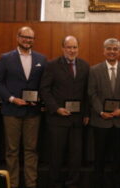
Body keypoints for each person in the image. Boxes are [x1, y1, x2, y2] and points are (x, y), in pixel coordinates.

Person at [0, 26, 47, 188]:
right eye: (24, 37)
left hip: (33, 112)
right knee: (12, 151)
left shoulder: (41, 59)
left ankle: (31, 184)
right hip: (11, 111)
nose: (27, 40)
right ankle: (13, 184)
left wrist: (39, 99)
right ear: (18, 38)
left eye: (30, 38)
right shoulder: (6, 58)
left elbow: (44, 85)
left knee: (31, 150)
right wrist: (11, 98)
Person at [40, 35, 90, 188]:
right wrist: (56, 108)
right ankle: (54, 184)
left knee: (76, 157)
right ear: (63, 48)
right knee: (56, 155)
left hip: (77, 119)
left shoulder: (84, 65)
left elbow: (86, 92)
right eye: (69, 47)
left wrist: (86, 113)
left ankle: (72, 184)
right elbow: (44, 89)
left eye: (75, 47)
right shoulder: (52, 65)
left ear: (78, 48)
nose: (72, 50)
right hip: (57, 119)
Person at [88, 38, 120, 188]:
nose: (112, 52)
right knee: (99, 157)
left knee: (118, 157)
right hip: (101, 121)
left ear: (119, 52)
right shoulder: (94, 70)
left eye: (115, 49)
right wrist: (100, 111)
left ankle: (116, 184)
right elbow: (92, 94)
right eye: (109, 48)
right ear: (104, 50)